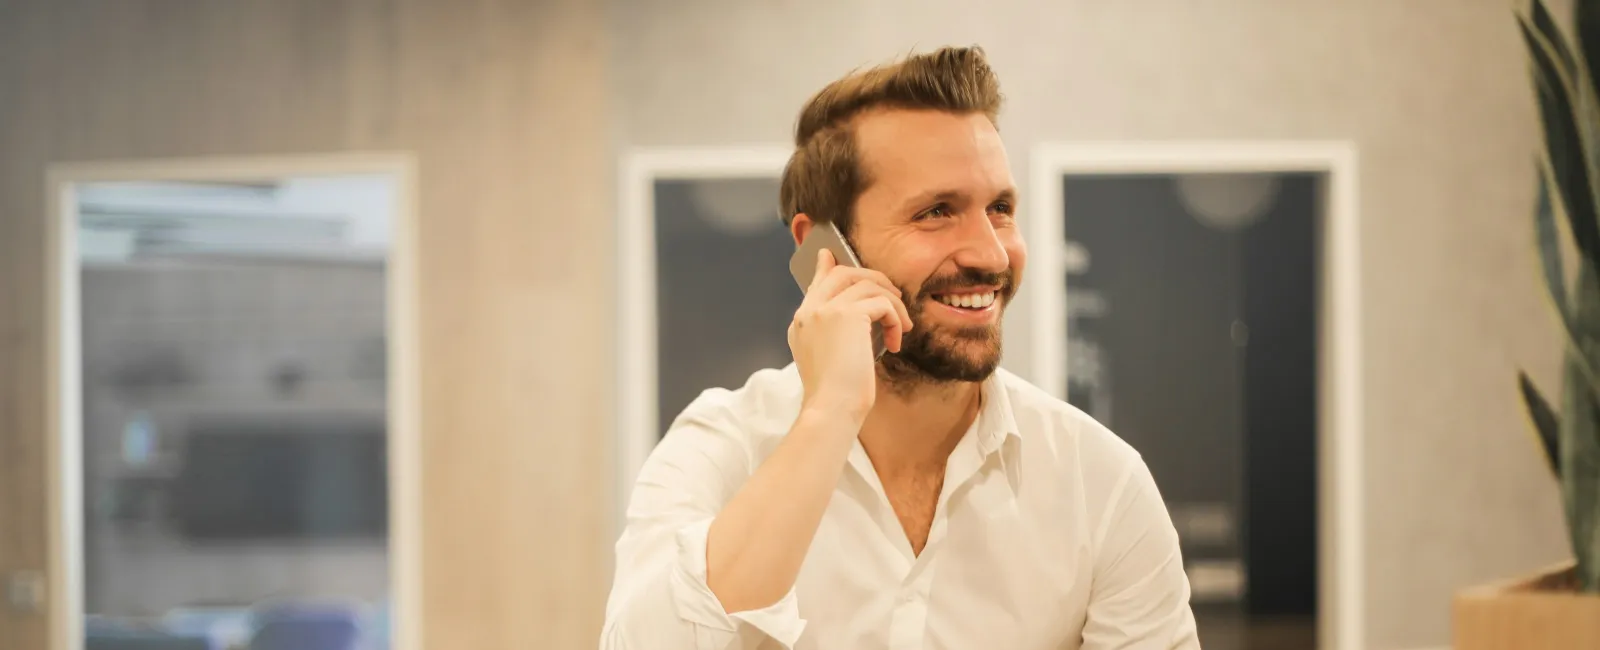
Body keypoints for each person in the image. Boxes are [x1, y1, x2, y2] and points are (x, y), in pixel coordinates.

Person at [601, 45, 1200, 650]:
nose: (992, 255)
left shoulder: (1100, 482)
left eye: (1000, 209)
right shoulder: (719, 449)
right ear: (824, 250)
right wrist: (829, 413)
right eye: (937, 212)